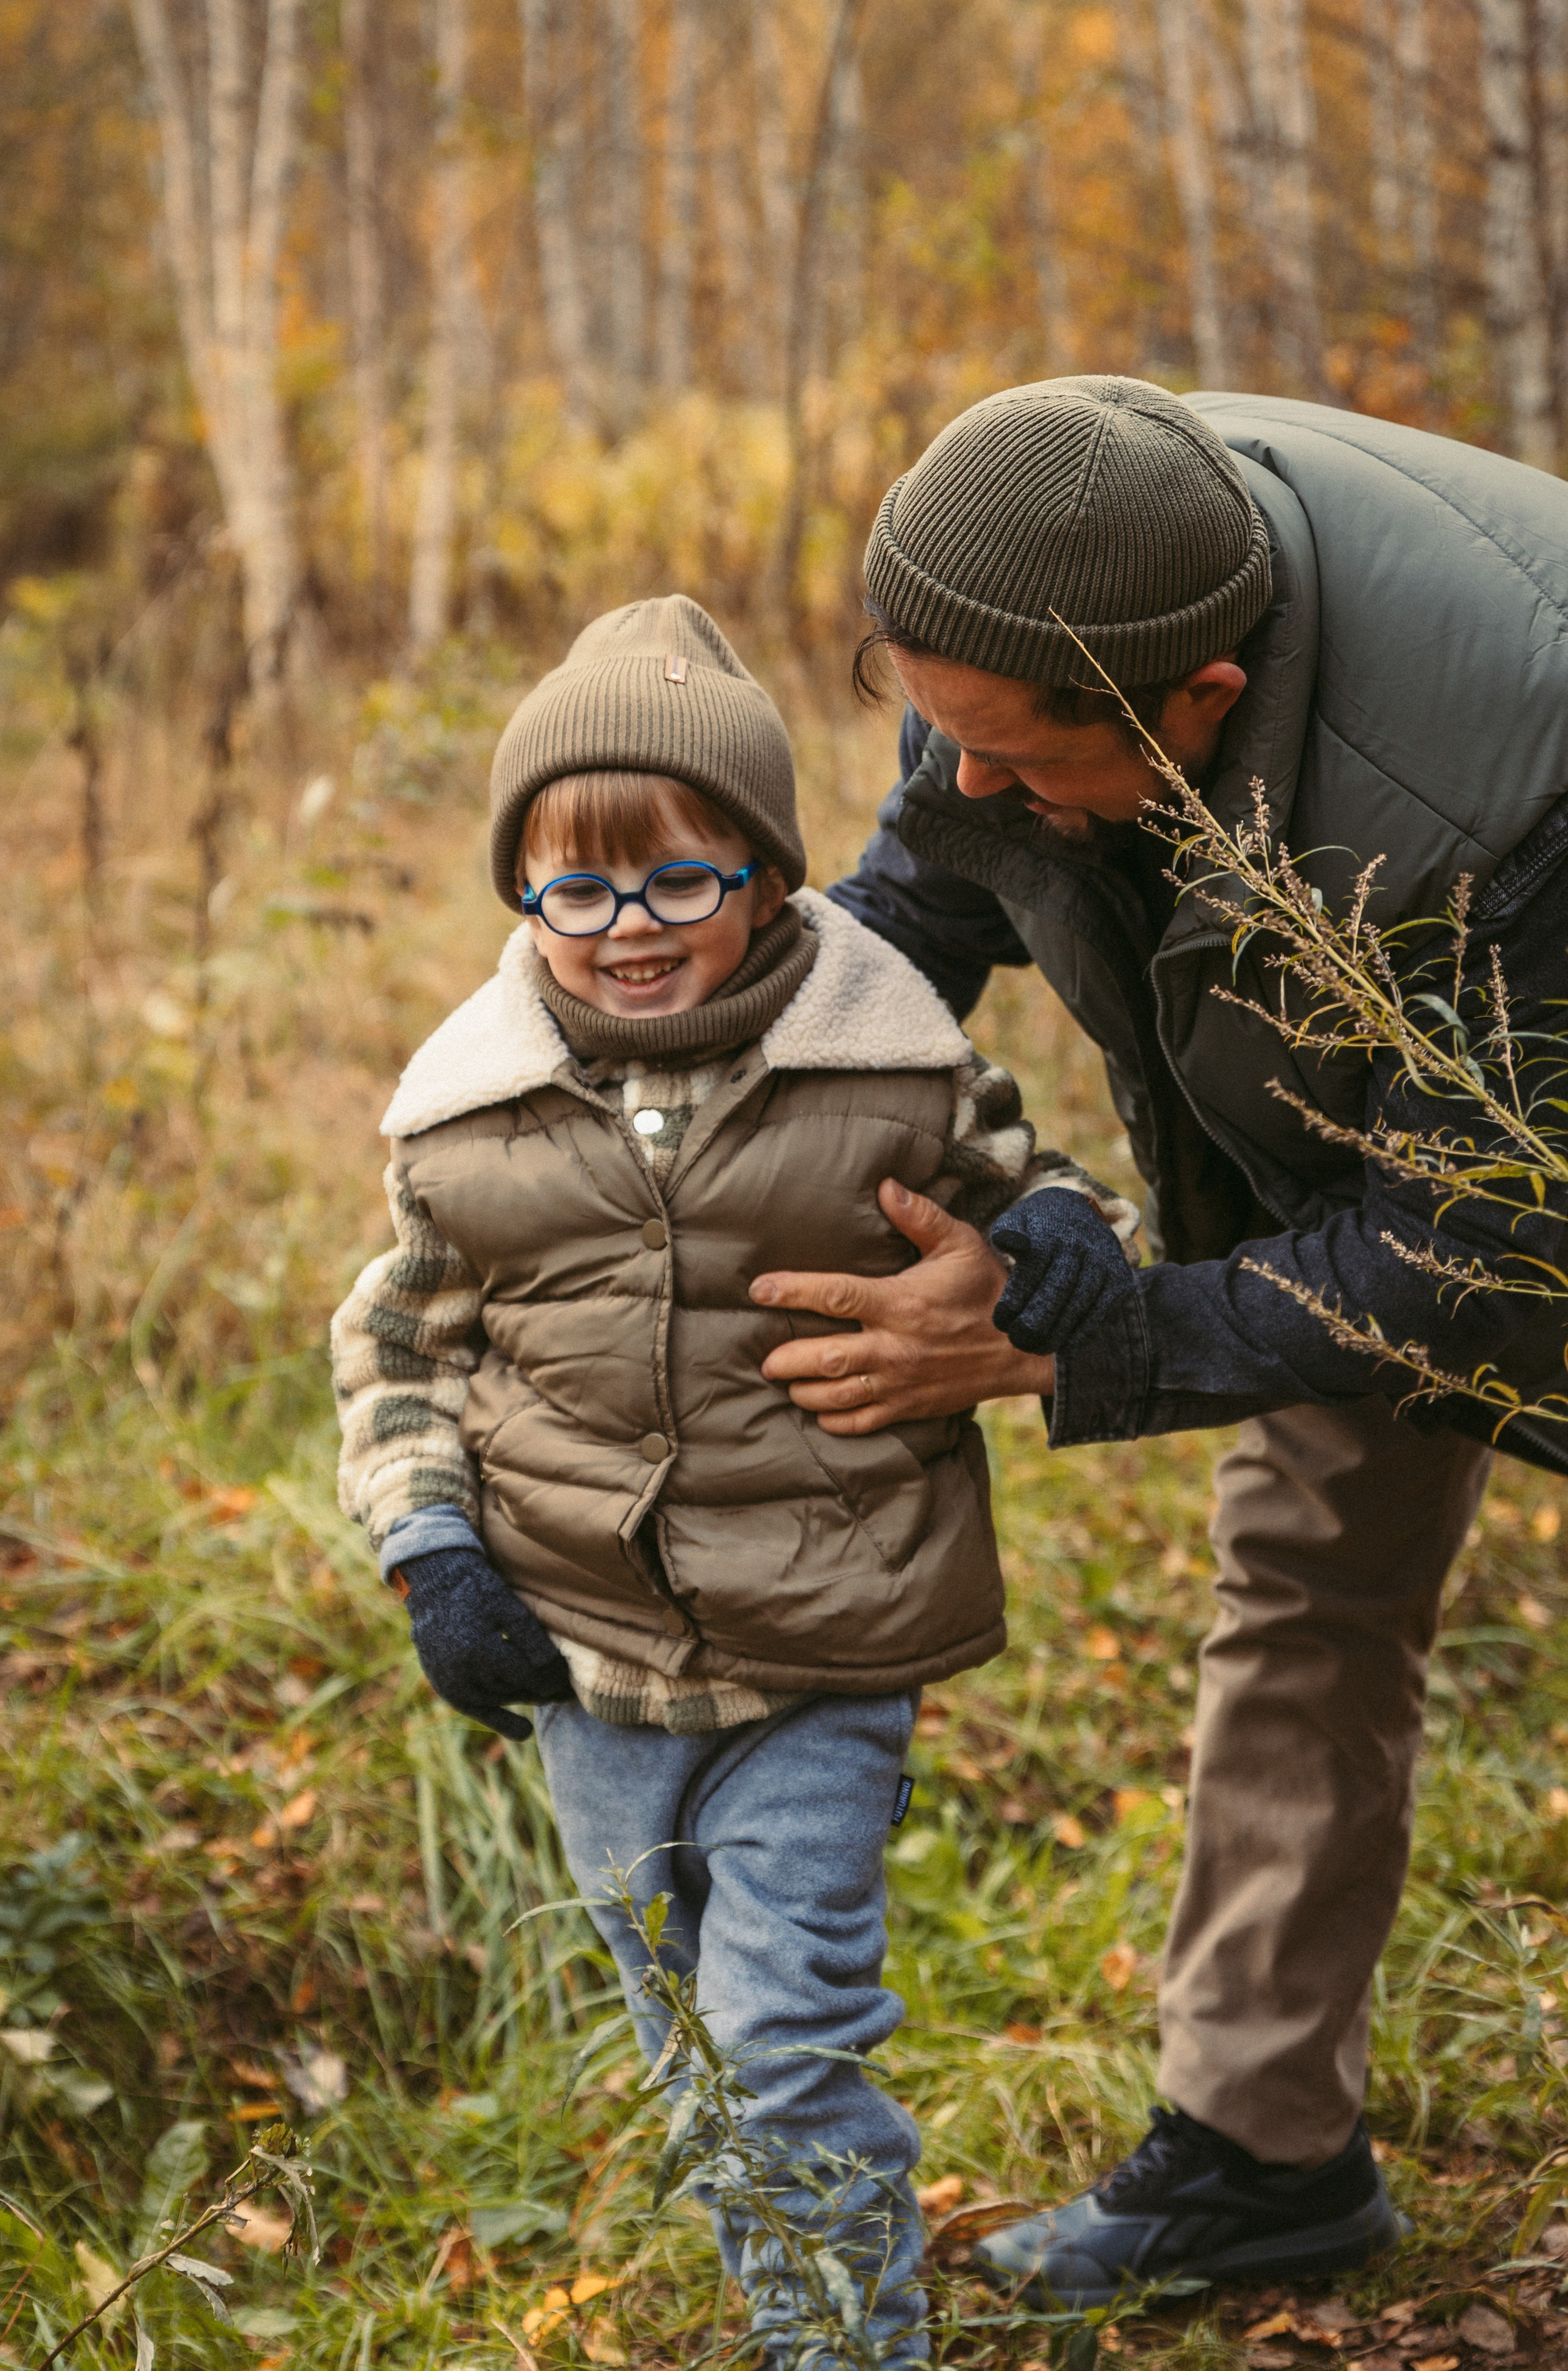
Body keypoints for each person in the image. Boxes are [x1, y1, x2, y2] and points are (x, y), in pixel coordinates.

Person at [745, 375, 1568, 2304]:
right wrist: (685, 1104)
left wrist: (1054, 1343)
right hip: (1368, 1137)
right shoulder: (1033, 568)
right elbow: (913, 913)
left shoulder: (1515, 793)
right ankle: (1262, 2158)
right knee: (1309, 1575)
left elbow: (1477, 1260)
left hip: (1514, 1143)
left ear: (1200, 699)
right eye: (932, 729)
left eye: (1011, 756)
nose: (961, 785)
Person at [330, 595, 1135, 2364]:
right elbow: (396, 1353)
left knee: (782, 2033)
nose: (628, 928)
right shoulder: (468, 1121)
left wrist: (1068, 1236)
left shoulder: (888, 1064)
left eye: (679, 879)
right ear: (522, 896)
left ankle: (848, 2345)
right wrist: (432, 1553)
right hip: (590, 1667)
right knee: (689, 2045)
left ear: (767, 877)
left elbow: (1033, 1181)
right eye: (577, 889)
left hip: (827, 1651)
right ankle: (796, 2308)